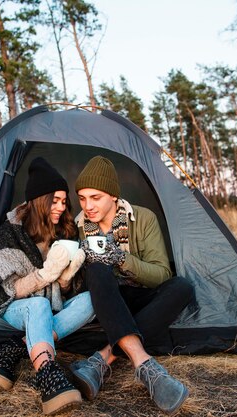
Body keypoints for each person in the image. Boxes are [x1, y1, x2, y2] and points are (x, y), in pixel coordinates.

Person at [68, 156, 195, 414]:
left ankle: (103, 359)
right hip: (104, 299)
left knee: (181, 287)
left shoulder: (143, 218)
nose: (87, 206)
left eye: (95, 197)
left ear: (113, 196)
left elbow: (161, 273)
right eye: (82, 198)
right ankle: (145, 365)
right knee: (97, 270)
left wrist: (121, 258)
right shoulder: (77, 227)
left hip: (138, 294)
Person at [0, 157, 94, 415]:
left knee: (91, 300)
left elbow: (67, 291)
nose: (60, 207)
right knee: (38, 304)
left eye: (63, 201)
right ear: (39, 200)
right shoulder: (11, 231)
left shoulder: (65, 231)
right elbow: (10, 290)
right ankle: (47, 375)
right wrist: (47, 274)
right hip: (16, 310)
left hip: (51, 307)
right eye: (54, 201)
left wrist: (66, 278)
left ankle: (14, 349)